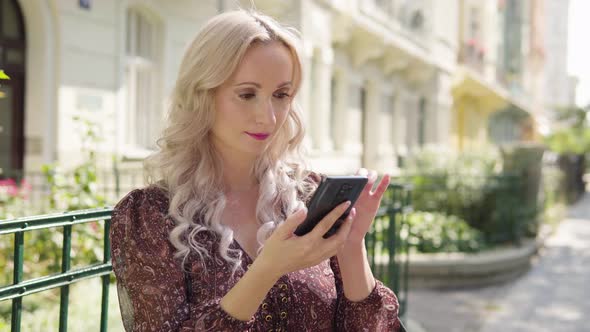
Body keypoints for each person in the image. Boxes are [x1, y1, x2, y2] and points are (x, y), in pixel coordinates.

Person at [110, 9, 404, 332]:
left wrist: (351, 245)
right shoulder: (148, 217)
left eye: (281, 95)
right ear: (202, 95)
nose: (269, 117)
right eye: (247, 94)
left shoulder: (307, 196)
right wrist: (267, 270)